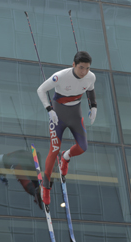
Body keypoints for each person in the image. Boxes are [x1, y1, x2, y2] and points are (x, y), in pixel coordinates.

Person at [36, 51, 97, 205]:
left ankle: (66, 157)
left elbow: (90, 89)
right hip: (58, 115)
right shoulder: (60, 76)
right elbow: (41, 90)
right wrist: (49, 110)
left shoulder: (91, 76)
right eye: (81, 68)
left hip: (76, 114)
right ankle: (46, 187)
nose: (84, 72)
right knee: (53, 150)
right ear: (73, 65)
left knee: (83, 147)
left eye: (87, 68)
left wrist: (94, 106)